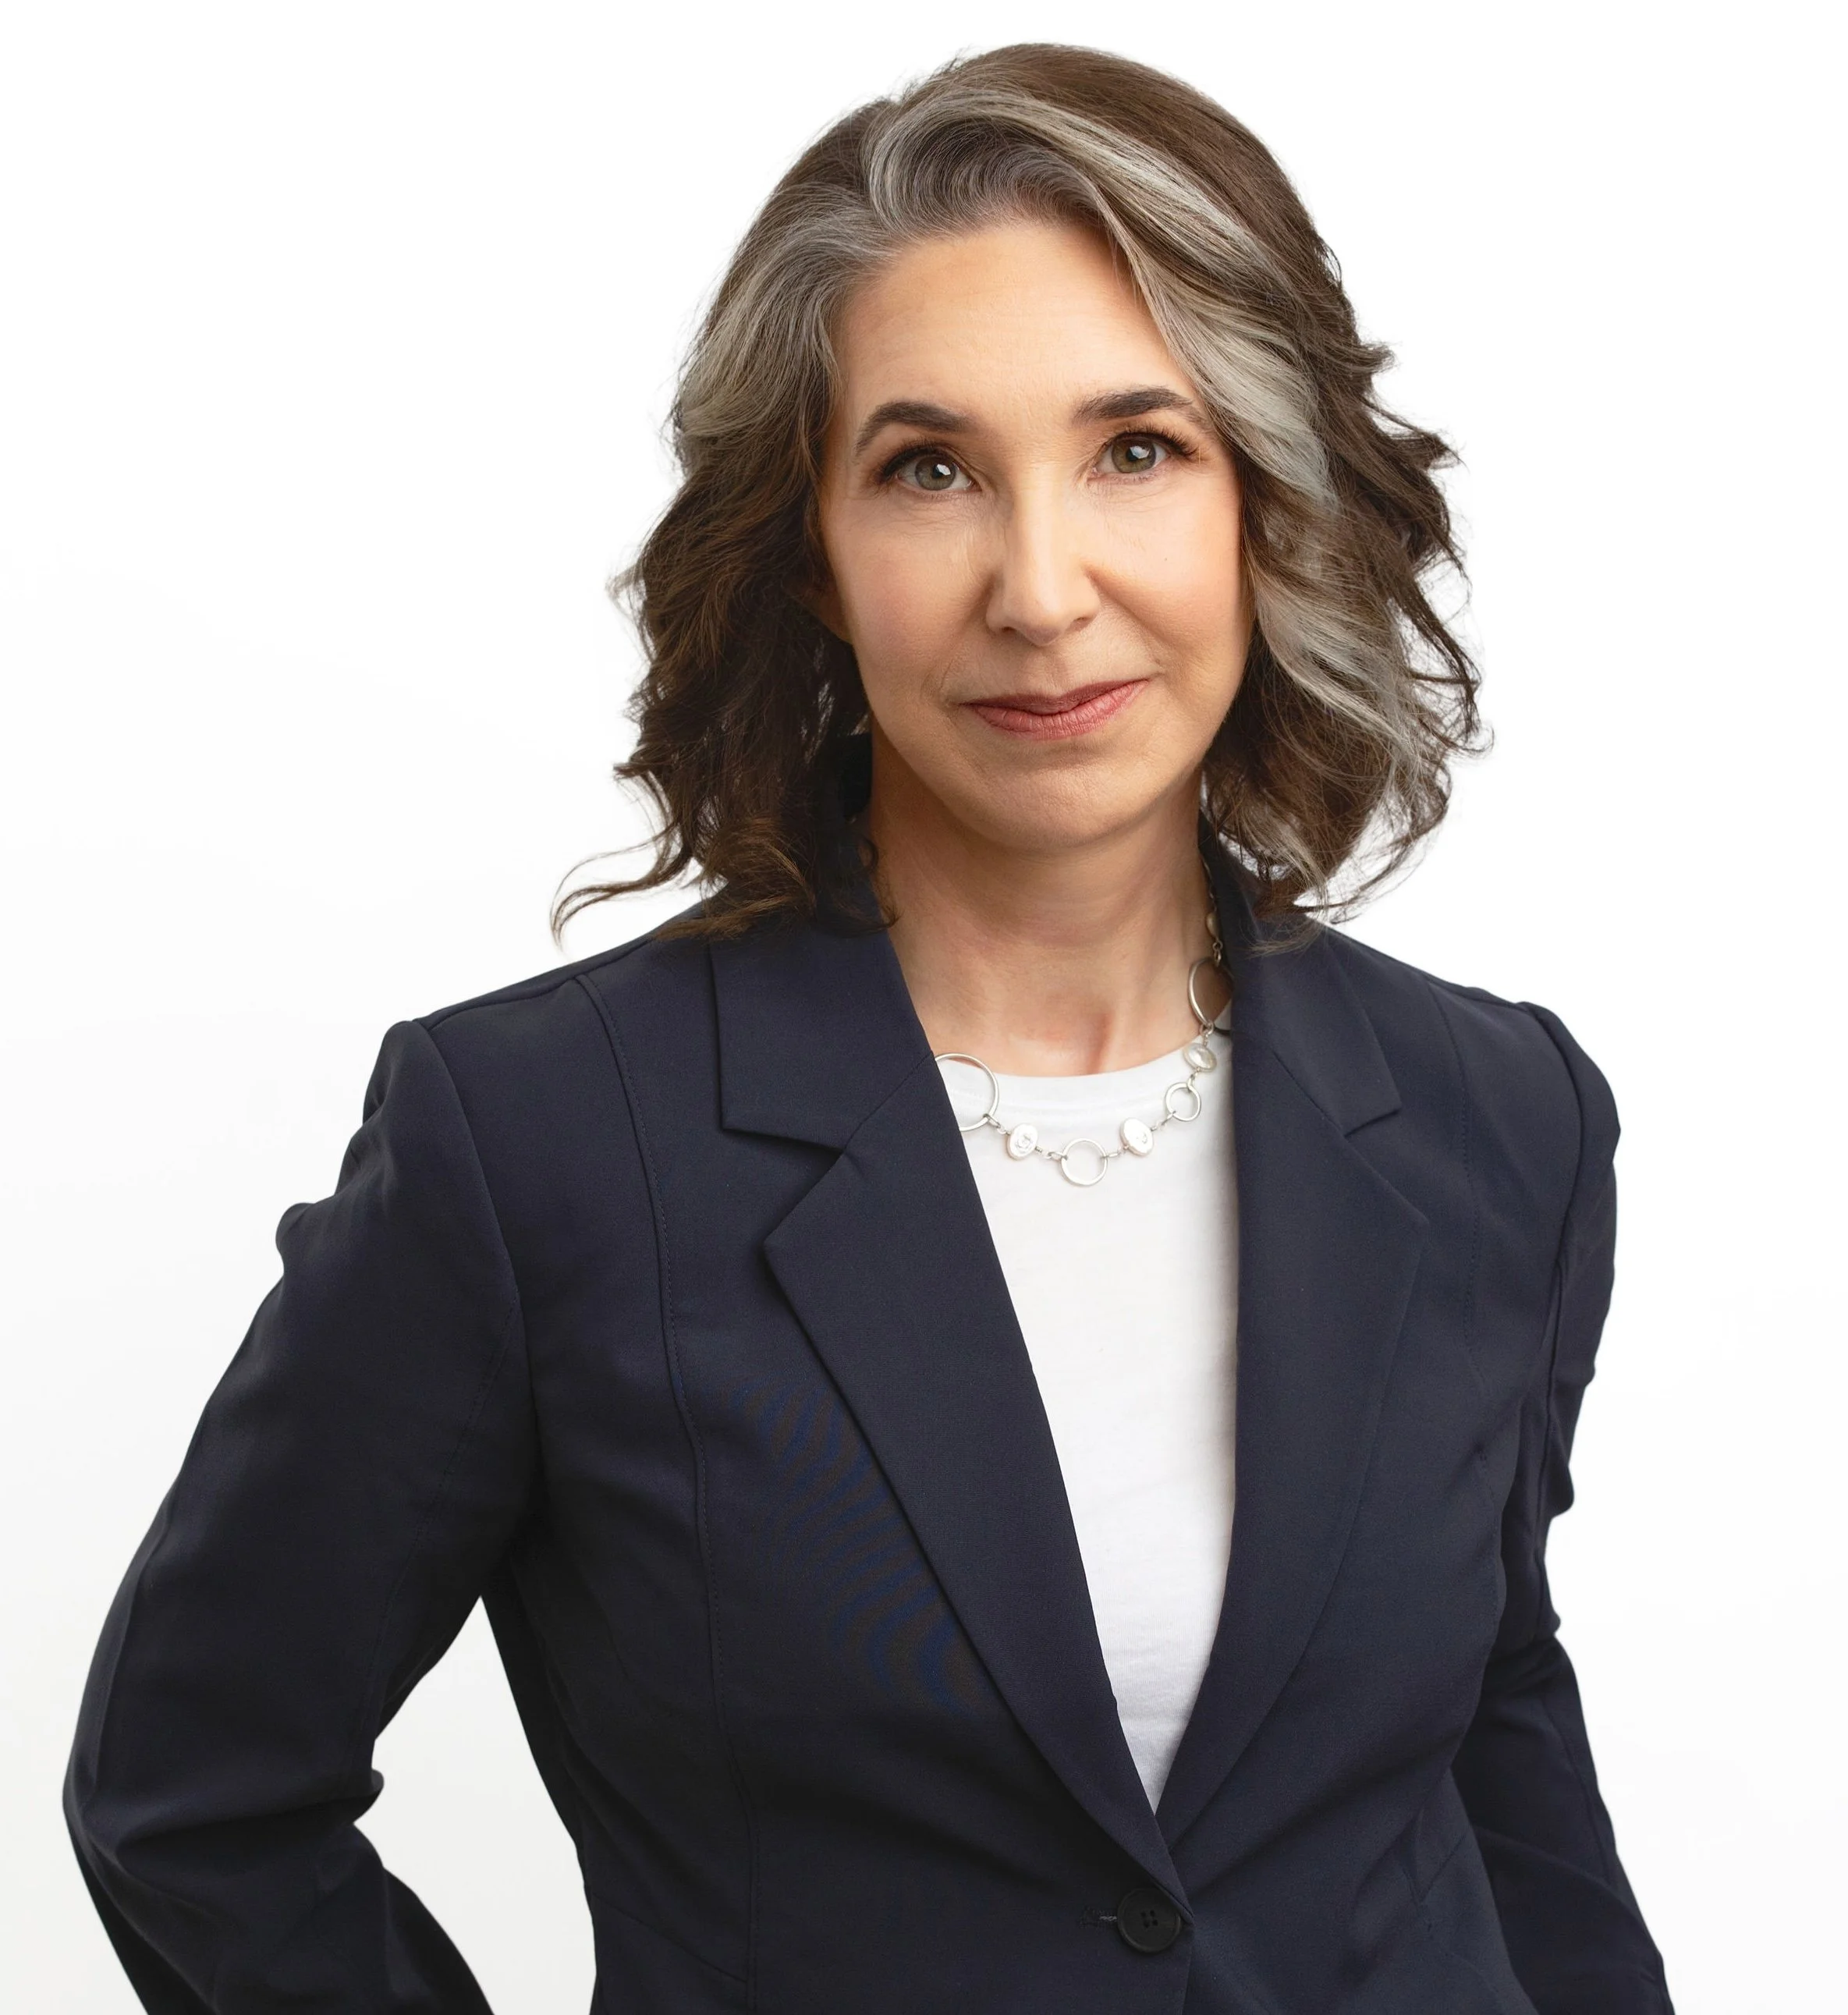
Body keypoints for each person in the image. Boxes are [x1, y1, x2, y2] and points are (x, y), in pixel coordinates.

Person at [65, 43, 1673, 2015]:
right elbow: (194, 1794)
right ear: (811, 555)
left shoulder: (1499, 1115)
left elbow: (1490, 1713)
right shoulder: (542, 1144)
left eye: (1135, 450)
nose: (1039, 586)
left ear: (1268, 495)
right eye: (928, 471)